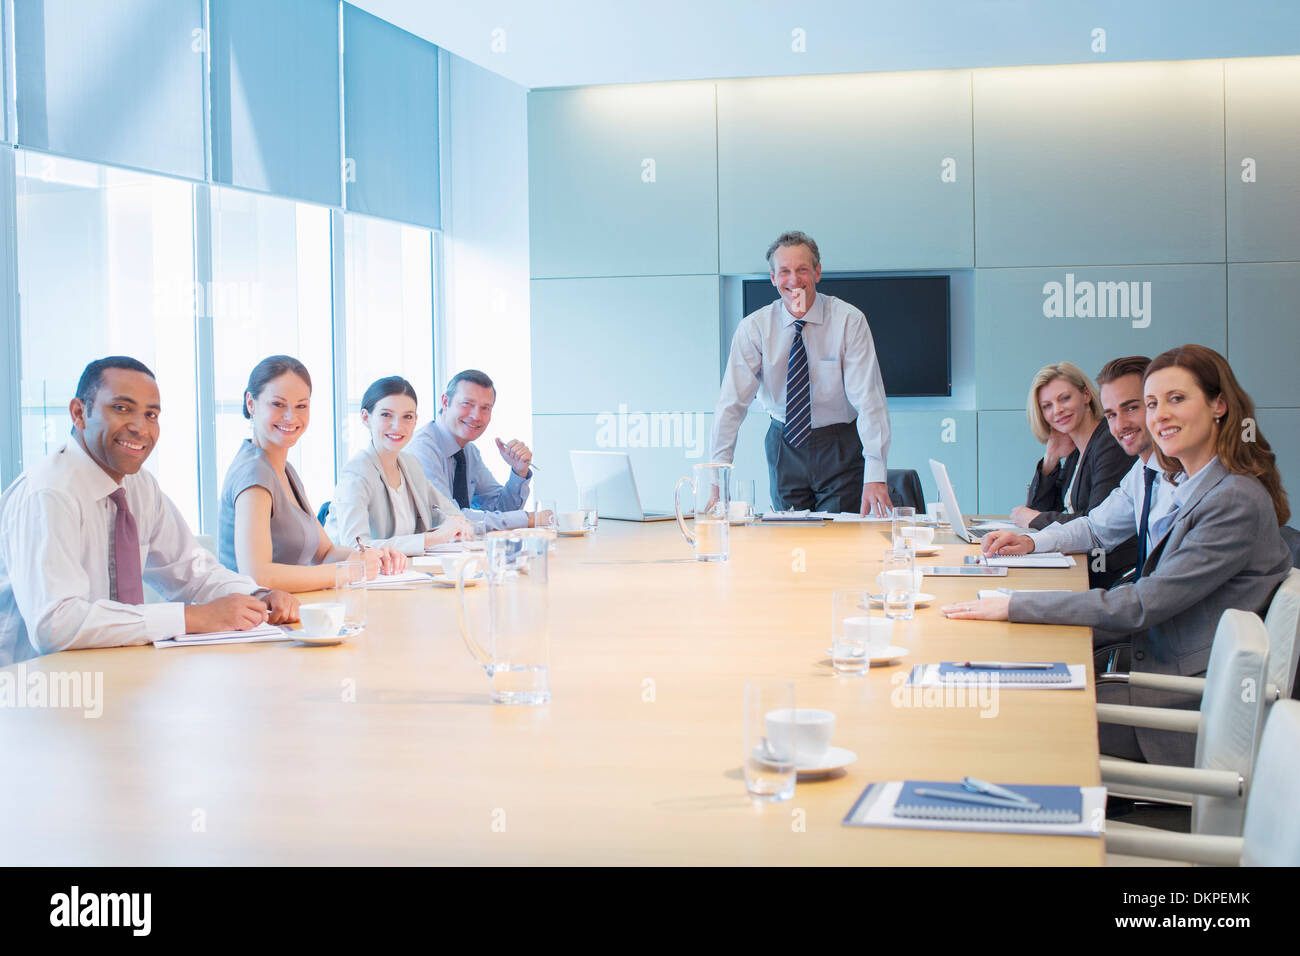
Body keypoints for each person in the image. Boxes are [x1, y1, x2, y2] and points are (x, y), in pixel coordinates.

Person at [944, 345, 1292, 766]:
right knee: (1011, 672)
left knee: (1014, 715)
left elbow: (1143, 603)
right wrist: (1023, 604)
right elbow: (1102, 535)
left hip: (1182, 704)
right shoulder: (1183, 480)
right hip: (1168, 672)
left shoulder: (1232, 500)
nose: (1156, 416)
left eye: (1175, 399)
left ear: (1219, 405)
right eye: (1151, 404)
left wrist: (1015, 604)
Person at [0, 357, 299, 666]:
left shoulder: (139, 486)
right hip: (36, 690)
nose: (140, 427)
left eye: (151, 414)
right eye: (121, 408)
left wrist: (256, 596)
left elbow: (192, 572)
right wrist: (191, 618)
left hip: (116, 675)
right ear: (79, 413)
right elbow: (56, 625)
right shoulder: (48, 494)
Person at [709, 230, 891, 516]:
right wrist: (716, 480)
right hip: (785, 445)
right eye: (784, 272)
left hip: (839, 446)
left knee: (838, 540)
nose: (794, 280)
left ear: (817, 272)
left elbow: (869, 401)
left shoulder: (849, 321)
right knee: (789, 541)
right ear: (773, 278)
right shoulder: (754, 329)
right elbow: (730, 405)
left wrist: (876, 475)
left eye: (802, 270)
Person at [982, 357, 1174, 590]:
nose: (1120, 425)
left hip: (1112, 575)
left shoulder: (1111, 445)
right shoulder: (1136, 469)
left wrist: (1033, 523)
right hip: (1124, 589)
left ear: (1086, 395)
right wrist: (1028, 541)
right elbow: (1093, 527)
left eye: (1132, 407)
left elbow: (1050, 517)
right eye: (1111, 414)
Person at [220, 355, 403, 591]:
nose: (291, 417)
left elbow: (325, 552)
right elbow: (257, 575)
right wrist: (348, 571)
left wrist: (371, 557)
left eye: (301, 406)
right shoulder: (254, 475)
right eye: (278, 404)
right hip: (255, 617)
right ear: (251, 403)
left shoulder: (284, 469)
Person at [326, 376, 472, 555]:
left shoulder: (410, 464)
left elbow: (451, 514)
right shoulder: (356, 472)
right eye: (386, 415)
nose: (397, 426)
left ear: (416, 420)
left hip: (402, 575)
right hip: (355, 579)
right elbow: (356, 548)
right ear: (366, 418)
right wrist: (430, 539)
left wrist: (459, 525)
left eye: (407, 417)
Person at [1012, 363, 1135, 562]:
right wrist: (1051, 460)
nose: (1058, 410)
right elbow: (1039, 509)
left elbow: (1095, 521)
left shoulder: (1109, 443)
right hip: (1085, 561)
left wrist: (1034, 518)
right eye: (1047, 406)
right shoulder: (1076, 450)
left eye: (1065, 398)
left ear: (1086, 395)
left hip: (1106, 566)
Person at [407, 369, 549, 531]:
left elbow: (501, 509)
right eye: (467, 404)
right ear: (445, 402)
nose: (476, 416)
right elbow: (450, 519)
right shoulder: (422, 450)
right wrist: (527, 519)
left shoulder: (468, 451)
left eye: (485, 408)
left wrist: (518, 472)